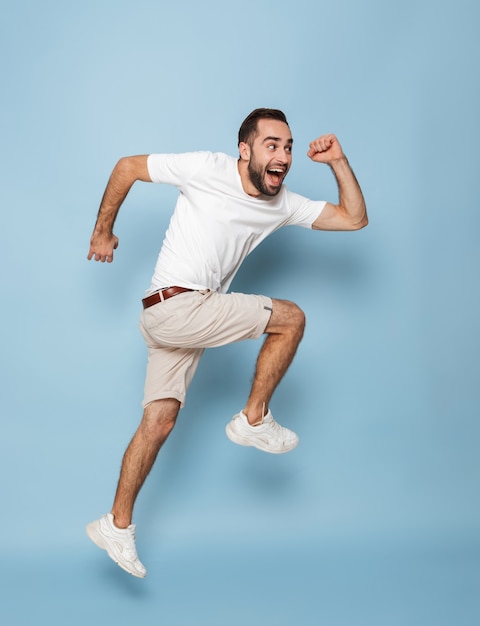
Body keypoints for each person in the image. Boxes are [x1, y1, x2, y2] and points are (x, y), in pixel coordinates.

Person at [85, 108, 367, 578]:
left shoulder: (283, 203)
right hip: (177, 307)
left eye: (289, 146)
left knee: (159, 422)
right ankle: (253, 418)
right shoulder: (207, 167)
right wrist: (102, 231)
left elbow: (353, 219)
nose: (283, 155)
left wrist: (338, 161)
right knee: (291, 319)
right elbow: (126, 167)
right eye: (271, 144)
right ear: (245, 150)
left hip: (174, 316)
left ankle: (116, 524)